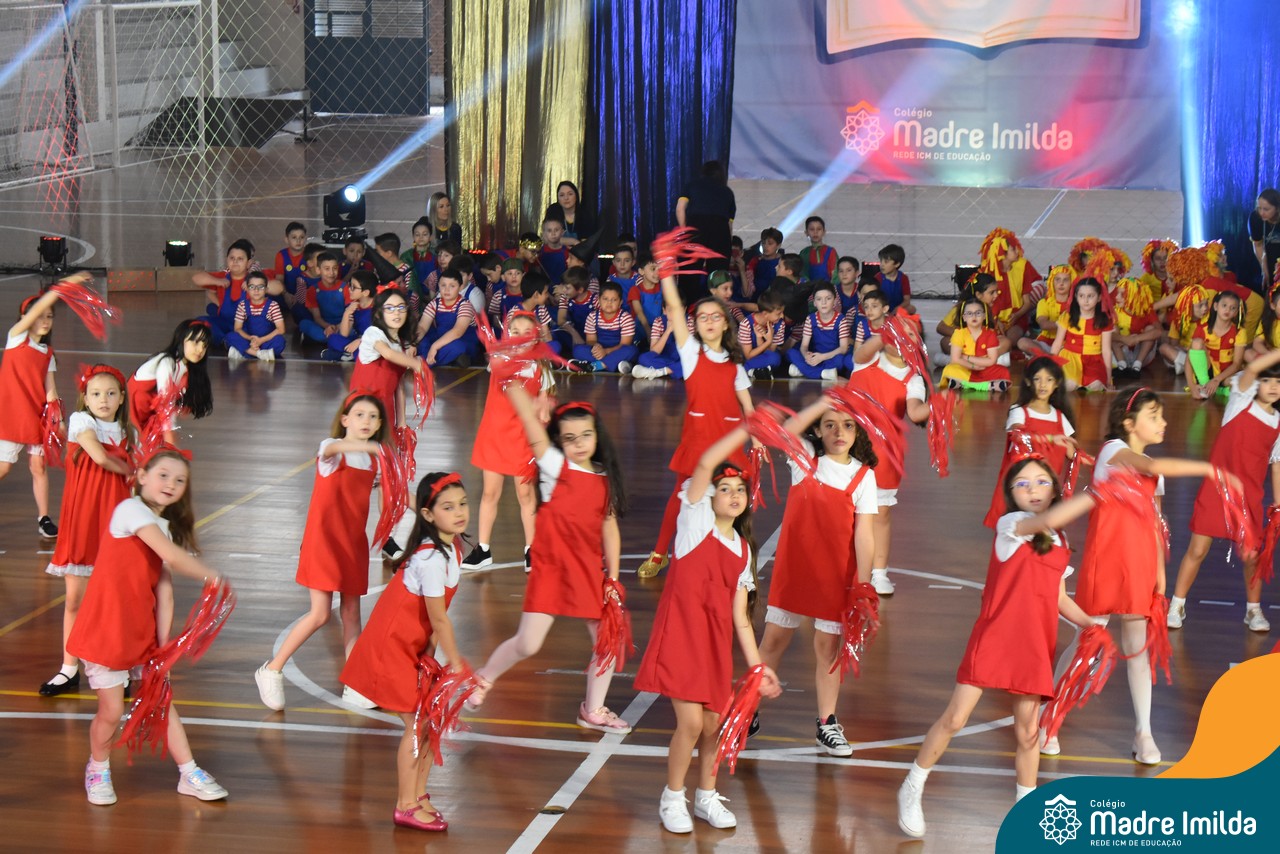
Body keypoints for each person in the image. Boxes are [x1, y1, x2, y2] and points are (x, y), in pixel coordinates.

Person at [896, 457, 1101, 838]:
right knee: (955, 719)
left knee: (1028, 733)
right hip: (995, 637)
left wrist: (1092, 626)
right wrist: (1098, 494)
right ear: (1010, 494)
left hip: (1035, 644)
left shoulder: (1059, 541)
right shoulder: (1011, 526)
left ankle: (1027, 814)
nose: (1033, 489)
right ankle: (912, 785)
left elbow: (1058, 597)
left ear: (1054, 489)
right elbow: (1043, 522)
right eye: (1022, 483)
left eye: (1041, 481)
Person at [1050, 388, 1222, 764]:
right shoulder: (1114, 451)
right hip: (1106, 561)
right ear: (1129, 423)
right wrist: (1207, 468)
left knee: (1138, 649)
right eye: (1154, 416)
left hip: (1139, 563)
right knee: (1088, 643)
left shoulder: (1151, 469)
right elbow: (1147, 466)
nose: (1163, 422)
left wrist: (1159, 569)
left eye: (1162, 416)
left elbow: (1156, 522)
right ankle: (1052, 715)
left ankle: (1143, 732)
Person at [634, 426, 781, 833]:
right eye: (725, 489)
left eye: (740, 489)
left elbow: (740, 617)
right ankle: (672, 797)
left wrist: (757, 667)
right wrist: (745, 430)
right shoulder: (695, 524)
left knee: (714, 725)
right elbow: (702, 465)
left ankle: (706, 797)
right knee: (692, 724)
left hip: (714, 646)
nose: (734, 495)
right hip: (681, 637)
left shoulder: (742, 549)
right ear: (709, 497)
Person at [67, 447, 229, 805]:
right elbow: (171, 557)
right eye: (163, 475)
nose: (171, 484)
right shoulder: (130, 510)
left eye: (180, 480)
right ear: (141, 477)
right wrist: (211, 575)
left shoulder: (165, 529)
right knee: (111, 711)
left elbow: (164, 592)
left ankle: (189, 773)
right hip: (106, 629)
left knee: (161, 700)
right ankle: (98, 767)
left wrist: (162, 648)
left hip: (140, 632)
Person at [470, 389, 631, 731]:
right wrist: (515, 386)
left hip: (588, 571)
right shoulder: (555, 466)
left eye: (586, 435)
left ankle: (593, 710)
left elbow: (610, 528)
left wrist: (613, 578)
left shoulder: (604, 478)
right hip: (552, 570)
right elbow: (531, 427)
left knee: (608, 642)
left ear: (597, 436)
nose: (579, 443)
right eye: (570, 438)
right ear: (558, 441)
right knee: (528, 643)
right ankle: (483, 678)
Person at [339, 472, 470, 832]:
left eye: (462, 504)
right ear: (428, 515)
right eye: (448, 507)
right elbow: (439, 619)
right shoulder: (431, 560)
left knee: (428, 720)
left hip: (411, 648)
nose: (459, 512)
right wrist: (457, 663)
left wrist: (429, 659)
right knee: (417, 723)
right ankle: (405, 805)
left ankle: (419, 794)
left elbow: (433, 622)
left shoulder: (452, 548)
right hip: (389, 649)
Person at [755, 398, 877, 753]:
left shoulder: (864, 476)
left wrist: (864, 583)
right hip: (795, 568)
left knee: (828, 649)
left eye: (848, 425)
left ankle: (827, 723)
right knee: (774, 640)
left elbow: (864, 534)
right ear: (818, 431)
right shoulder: (805, 459)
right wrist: (825, 401)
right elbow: (784, 432)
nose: (839, 432)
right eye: (830, 424)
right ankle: (747, 712)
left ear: (858, 432)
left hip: (835, 575)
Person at [255, 392, 388, 711]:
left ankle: (355, 683)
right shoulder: (331, 450)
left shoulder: (374, 461)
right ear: (345, 420)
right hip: (324, 542)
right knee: (319, 614)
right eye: (360, 415)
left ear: (379, 424)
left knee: (352, 613)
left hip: (353, 543)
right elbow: (332, 448)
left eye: (373, 417)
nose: (366, 421)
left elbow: (387, 500)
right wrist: (373, 448)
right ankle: (271, 669)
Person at [637, 258, 754, 579]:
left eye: (716, 317)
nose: (709, 322)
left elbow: (748, 406)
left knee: (731, 500)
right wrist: (666, 272)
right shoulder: (691, 354)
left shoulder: (735, 363)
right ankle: (659, 553)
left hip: (728, 442)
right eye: (702, 317)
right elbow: (675, 308)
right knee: (681, 497)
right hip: (698, 439)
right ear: (696, 325)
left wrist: (757, 441)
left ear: (726, 324)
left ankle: (733, 557)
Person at [1169, 347, 1280, 632]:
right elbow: (1252, 368)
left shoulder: (1278, 424)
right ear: (1255, 384)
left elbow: (1276, 465)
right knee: (1197, 549)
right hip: (1216, 490)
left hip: (1250, 497)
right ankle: (1176, 604)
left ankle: (1253, 610)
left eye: (1279, 382)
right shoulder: (1240, 401)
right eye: (1267, 380)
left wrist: (1278, 505)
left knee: (1251, 557)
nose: (1272, 387)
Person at [39, 365, 133, 696]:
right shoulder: (82, 422)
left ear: (121, 398)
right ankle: (69, 669)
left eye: (110, 393)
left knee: (115, 602)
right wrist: (132, 469)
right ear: (85, 398)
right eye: (96, 394)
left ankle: (119, 668)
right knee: (75, 600)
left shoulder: (128, 433)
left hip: (116, 522)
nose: (103, 399)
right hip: (83, 520)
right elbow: (100, 457)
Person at [463, 312, 555, 571]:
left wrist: (544, 410)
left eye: (527, 332)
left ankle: (532, 549)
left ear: (535, 337)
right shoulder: (500, 359)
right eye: (515, 332)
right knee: (489, 493)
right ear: (507, 335)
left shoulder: (542, 369)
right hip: (495, 434)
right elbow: (499, 365)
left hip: (523, 438)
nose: (521, 337)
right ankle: (483, 549)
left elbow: (544, 409)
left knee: (525, 494)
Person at [848, 311, 930, 595]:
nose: (901, 337)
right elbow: (860, 352)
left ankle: (879, 572)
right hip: (848, 445)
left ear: (917, 342)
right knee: (843, 512)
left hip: (884, 453)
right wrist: (884, 333)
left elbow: (915, 411)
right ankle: (843, 567)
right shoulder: (869, 358)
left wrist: (938, 406)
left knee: (880, 514)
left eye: (909, 333)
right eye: (897, 330)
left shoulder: (913, 378)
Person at [0, 284, 74, 537]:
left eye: (49, 316)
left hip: (36, 417)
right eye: (39, 315)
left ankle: (43, 518)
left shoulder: (47, 353)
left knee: (38, 467)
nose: (45, 321)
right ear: (25, 318)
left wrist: (59, 420)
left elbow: (50, 391)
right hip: (11, 416)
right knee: (4, 467)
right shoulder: (16, 338)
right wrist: (65, 287)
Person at [981, 357, 1077, 528]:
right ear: (1027, 381)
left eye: (1049, 379)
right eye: (1037, 379)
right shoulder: (1019, 412)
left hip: (1044, 483)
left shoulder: (1059, 417)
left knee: (1039, 524)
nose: (1043, 384)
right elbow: (1018, 434)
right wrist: (1050, 439)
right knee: (1015, 522)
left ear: (1057, 384)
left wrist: (1096, 461)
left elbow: (1072, 453)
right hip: (1022, 480)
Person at [128, 319, 213, 446]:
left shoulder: (185, 369)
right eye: (195, 342)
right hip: (132, 412)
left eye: (204, 345)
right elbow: (165, 400)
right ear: (181, 340)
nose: (200, 349)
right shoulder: (167, 362)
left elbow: (169, 404)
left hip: (147, 413)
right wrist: (170, 435)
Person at [351, 290, 427, 430]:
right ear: (378, 313)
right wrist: (417, 364)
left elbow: (399, 385)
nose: (396, 313)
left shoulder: (401, 343)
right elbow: (388, 354)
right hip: (364, 408)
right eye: (390, 308)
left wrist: (401, 423)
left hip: (385, 410)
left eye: (401, 307)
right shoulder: (373, 333)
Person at [1051, 277, 1113, 392]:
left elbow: (1106, 350)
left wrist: (1109, 379)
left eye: (1090, 296)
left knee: (1097, 387)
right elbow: (1057, 343)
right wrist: (1049, 367)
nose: (1085, 300)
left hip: (1093, 362)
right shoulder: (1067, 316)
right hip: (1070, 359)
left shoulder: (1105, 320)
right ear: (1076, 296)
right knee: (1069, 384)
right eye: (1081, 296)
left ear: (1099, 297)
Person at [939, 295, 1011, 391]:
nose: (974, 316)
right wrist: (972, 366)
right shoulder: (959, 333)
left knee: (1003, 371)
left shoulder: (990, 334)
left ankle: (964, 384)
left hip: (984, 368)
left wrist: (966, 357)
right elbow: (955, 359)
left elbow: (992, 360)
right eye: (969, 313)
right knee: (950, 369)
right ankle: (987, 386)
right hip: (965, 368)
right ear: (964, 317)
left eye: (978, 313)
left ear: (984, 316)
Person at [416, 267, 480, 368]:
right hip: (440, 337)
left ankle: (424, 361)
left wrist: (435, 346)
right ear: (438, 286)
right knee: (422, 340)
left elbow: (457, 331)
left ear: (460, 287)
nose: (447, 290)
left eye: (452, 286)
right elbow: (423, 326)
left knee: (457, 347)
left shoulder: (465, 305)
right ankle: (447, 358)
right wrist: (413, 343)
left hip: (461, 339)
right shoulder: (434, 303)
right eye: (443, 285)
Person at [676, 161, 736, 265]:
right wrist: (727, 245)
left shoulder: (692, 185)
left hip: (696, 227)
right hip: (720, 230)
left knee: (691, 269)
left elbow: (680, 209)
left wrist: (684, 231)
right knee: (718, 270)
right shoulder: (728, 192)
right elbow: (729, 225)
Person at [569, 281, 637, 373]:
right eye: (605, 299)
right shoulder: (592, 316)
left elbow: (624, 344)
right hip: (600, 352)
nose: (609, 303)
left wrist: (606, 351)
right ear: (599, 300)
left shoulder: (625, 318)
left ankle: (595, 366)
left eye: (614, 300)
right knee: (578, 350)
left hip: (617, 350)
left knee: (631, 350)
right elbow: (590, 341)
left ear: (620, 302)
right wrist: (597, 347)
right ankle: (614, 365)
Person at [1187, 290, 1244, 400]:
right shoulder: (1202, 328)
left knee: (1239, 384)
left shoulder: (1239, 332)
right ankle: (1205, 385)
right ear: (1216, 306)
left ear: (1236, 312)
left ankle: (1217, 390)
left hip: (1225, 375)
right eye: (1224, 305)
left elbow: (1237, 364)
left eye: (1233, 308)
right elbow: (1188, 359)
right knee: (1197, 343)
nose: (1228, 310)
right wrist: (1192, 386)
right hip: (1208, 371)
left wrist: (1217, 380)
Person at [786, 282, 849, 380]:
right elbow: (804, 346)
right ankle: (823, 373)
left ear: (835, 301)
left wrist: (822, 357)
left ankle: (803, 370)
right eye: (819, 299)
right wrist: (806, 355)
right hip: (814, 356)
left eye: (828, 298)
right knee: (791, 353)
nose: (823, 303)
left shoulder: (841, 320)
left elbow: (843, 348)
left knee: (840, 360)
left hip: (830, 357)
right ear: (814, 303)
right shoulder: (810, 319)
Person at [225, 270, 285, 362]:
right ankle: (259, 354)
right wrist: (251, 338)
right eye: (252, 287)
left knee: (280, 341)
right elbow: (237, 328)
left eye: (260, 287)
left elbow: (281, 329)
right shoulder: (242, 305)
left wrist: (261, 340)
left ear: (266, 289)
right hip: (249, 340)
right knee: (230, 336)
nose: (256, 290)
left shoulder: (273, 305)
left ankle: (244, 352)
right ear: (247, 289)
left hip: (266, 341)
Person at [1110, 276, 1162, 376]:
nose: (1117, 297)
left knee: (1151, 329)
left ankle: (1137, 366)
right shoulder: (1115, 311)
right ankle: (1122, 366)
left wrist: (1137, 338)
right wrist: (1124, 339)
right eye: (1118, 293)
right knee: (1112, 330)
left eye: (1122, 294)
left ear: (1133, 296)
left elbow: (1159, 332)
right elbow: (1106, 334)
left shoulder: (1146, 311)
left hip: (1141, 355)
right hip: (1120, 353)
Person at [322, 271, 377, 362]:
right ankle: (348, 355)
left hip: (373, 342)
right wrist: (347, 313)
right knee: (333, 338)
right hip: (356, 340)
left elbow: (380, 334)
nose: (349, 289)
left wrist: (361, 341)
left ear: (365, 292)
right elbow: (344, 334)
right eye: (349, 285)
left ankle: (342, 355)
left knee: (366, 351)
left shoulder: (377, 308)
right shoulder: (353, 306)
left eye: (353, 287)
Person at [1020, 265, 1073, 357]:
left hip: (1066, 345)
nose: (1061, 283)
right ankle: (1049, 357)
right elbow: (1043, 324)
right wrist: (1064, 323)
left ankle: (1046, 358)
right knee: (1022, 342)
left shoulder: (1075, 305)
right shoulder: (1044, 302)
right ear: (1051, 281)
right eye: (1057, 279)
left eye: (1065, 280)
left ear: (1072, 283)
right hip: (1045, 343)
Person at [299, 251, 347, 344]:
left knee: (353, 329)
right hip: (323, 325)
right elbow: (317, 317)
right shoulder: (313, 290)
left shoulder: (345, 287)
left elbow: (349, 315)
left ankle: (329, 339)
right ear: (318, 270)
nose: (331, 273)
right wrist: (328, 327)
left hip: (343, 324)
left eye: (335, 268)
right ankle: (336, 340)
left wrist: (337, 327)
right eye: (327, 269)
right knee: (304, 323)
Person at [738, 288, 787, 380]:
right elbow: (748, 355)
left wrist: (760, 339)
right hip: (748, 358)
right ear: (765, 314)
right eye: (778, 313)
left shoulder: (780, 324)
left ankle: (751, 371)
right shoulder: (746, 324)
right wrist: (768, 341)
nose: (782, 316)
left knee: (775, 358)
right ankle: (748, 369)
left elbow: (770, 352)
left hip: (764, 357)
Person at [543, 180, 594, 246]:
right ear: (558, 199)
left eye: (570, 194)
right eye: (562, 195)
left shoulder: (584, 213)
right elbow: (547, 238)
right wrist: (573, 241)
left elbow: (587, 241)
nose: (566, 198)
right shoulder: (553, 210)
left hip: (579, 251)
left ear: (576, 196)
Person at [1249, 188, 1280, 287]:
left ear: (1277, 208)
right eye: (1259, 208)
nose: (1261, 213)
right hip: (1267, 258)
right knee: (1268, 284)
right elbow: (1258, 245)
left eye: (1266, 209)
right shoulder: (1255, 218)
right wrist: (1265, 272)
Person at [875, 244, 914, 314]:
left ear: (897, 264)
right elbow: (874, 298)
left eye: (886, 262)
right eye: (881, 261)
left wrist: (897, 309)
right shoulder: (878, 278)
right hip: (883, 308)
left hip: (898, 308)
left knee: (911, 309)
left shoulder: (903, 278)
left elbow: (907, 300)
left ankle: (897, 318)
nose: (882, 265)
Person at [802, 216, 839, 281]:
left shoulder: (831, 252)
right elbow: (802, 274)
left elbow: (836, 276)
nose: (815, 232)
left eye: (819, 229)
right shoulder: (804, 253)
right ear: (806, 233)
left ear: (824, 232)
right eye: (812, 229)